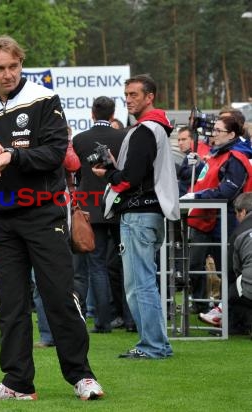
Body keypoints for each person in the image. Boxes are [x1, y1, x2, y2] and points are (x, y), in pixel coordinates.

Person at [0, 35, 103, 401]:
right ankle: (17, 382)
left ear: (21, 64)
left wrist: (11, 156)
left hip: (43, 213)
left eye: (13, 66)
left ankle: (82, 377)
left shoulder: (42, 98)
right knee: (11, 303)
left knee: (58, 297)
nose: (7, 74)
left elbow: (55, 152)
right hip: (2, 219)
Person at [93, 74, 180, 359]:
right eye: (126, 94)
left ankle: (153, 346)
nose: (129, 99)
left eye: (134, 94)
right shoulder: (155, 128)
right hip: (149, 212)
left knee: (139, 285)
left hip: (140, 213)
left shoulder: (146, 129)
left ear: (149, 96)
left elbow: (131, 177)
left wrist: (108, 172)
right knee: (142, 283)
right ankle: (157, 344)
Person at [182, 115, 252, 314]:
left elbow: (227, 191)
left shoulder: (235, 157)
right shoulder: (219, 154)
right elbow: (209, 179)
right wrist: (196, 166)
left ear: (231, 134)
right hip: (205, 218)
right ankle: (204, 306)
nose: (214, 135)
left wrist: (198, 195)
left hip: (224, 219)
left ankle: (233, 316)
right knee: (196, 265)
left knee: (228, 270)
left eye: (219, 131)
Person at [72, 96, 128, 333]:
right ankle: (131, 319)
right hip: (119, 204)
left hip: (92, 209)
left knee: (97, 266)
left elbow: (75, 171)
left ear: (92, 114)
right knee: (127, 263)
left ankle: (103, 321)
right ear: (112, 115)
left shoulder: (80, 140)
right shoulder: (124, 136)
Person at [199, 192, 252, 334]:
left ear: (243, 212)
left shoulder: (239, 234)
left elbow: (230, 270)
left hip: (248, 289)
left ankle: (224, 314)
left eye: (237, 213)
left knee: (236, 284)